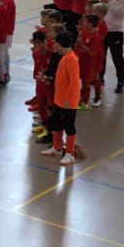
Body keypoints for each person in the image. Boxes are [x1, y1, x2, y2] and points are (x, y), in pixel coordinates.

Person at [41, 31, 80, 166]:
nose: (54, 45)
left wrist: (68, 98)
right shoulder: (63, 57)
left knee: (69, 126)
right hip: (59, 99)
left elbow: (74, 81)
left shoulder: (71, 59)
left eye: (55, 43)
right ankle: (57, 148)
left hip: (68, 101)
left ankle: (70, 154)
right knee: (57, 124)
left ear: (61, 44)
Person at [98, 0, 124, 93]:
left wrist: (107, 3)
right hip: (103, 29)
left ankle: (120, 81)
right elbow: (99, 9)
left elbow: (121, 12)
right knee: (101, 56)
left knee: (117, 58)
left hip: (115, 31)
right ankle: (100, 78)